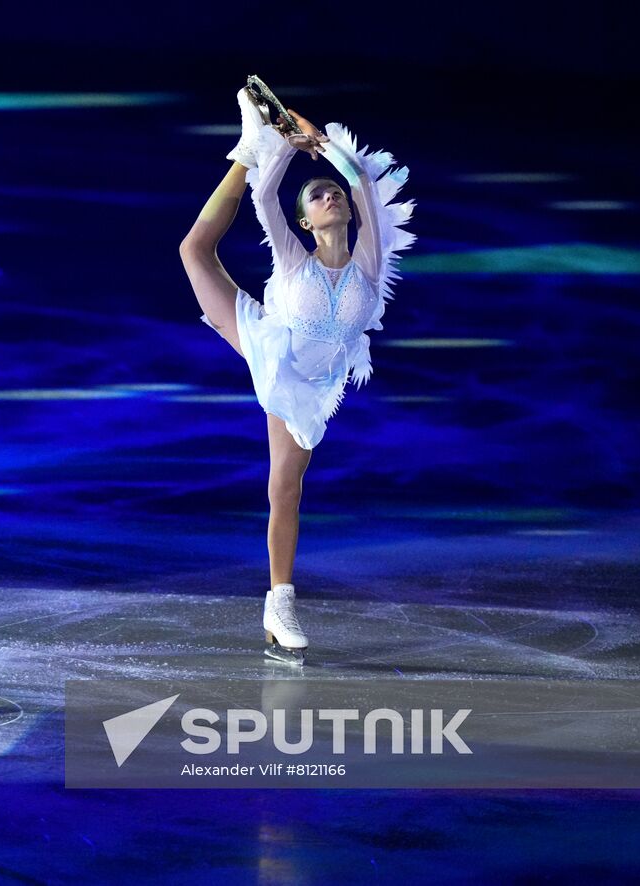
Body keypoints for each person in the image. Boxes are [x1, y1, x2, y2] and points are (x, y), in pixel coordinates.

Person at [178, 85, 417, 665]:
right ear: (305, 222)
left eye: (331, 192)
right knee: (193, 250)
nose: (328, 195)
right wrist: (282, 148)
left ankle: (275, 605)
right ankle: (246, 146)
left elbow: (360, 178)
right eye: (316, 196)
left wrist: (320, 144)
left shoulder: (368, 260)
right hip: (268, 342)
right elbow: (265, 200)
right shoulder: (292, 258)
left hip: (313, 386)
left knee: (288, 486)